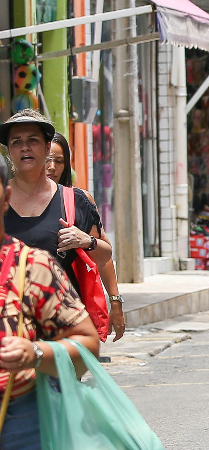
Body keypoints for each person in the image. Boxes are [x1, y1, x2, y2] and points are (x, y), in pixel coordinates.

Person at [0, 154, 100, 449]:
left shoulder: (32, 266)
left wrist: (36, 353)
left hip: (20, 420)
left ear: (6, 197)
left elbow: (88, 344)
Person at [0, 109, 112, 306]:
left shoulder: (75, 200)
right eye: (16, 142)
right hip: (9, 320)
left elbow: (104, 256)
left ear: (47, 147)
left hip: (63, 322)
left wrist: (86, 241)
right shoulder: (1, 199)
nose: (25, 147)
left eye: (33, 140)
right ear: (9, 151)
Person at [47, 132, 125, 342]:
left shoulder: (78, 201)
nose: (52, 166)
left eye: (59, 161)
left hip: (70, 313)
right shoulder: (12, 199)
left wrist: (115, 302)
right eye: (47, 160)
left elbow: (103, 254)